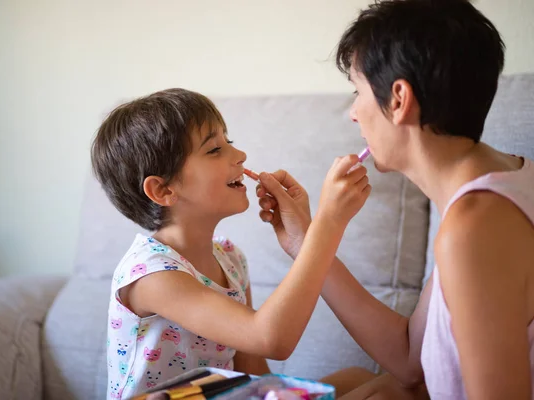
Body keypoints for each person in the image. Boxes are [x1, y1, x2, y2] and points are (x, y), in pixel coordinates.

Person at [254, 0, 534, 399]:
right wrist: (307, 242)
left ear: (399, 99)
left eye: (358, 91)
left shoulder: (475, 228)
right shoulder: (508, 183)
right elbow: (409, 358)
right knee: (354, 380)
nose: (353, 113)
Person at [91, 88, 370, 398]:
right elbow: (272, 339)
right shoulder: (152, 275)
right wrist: (326, 225)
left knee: (361, 379)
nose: (240, 156)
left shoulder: (230, 258)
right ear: (163, 190)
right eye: (214, 150)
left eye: (230, 143)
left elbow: (254, 373)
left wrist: (306, 235)